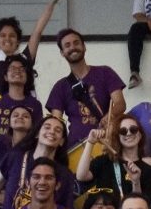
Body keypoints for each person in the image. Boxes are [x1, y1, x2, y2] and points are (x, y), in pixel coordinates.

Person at [47, 28, 126, 162]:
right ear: (62, 53)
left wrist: (110, 116)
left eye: (76, 43)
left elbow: (120, 104)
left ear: (84, 46)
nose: (73, 47)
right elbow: (56, 122)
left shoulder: (105, 72)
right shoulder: (60, 87)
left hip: (106, 144)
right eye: (67, 45)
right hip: (75, 149)